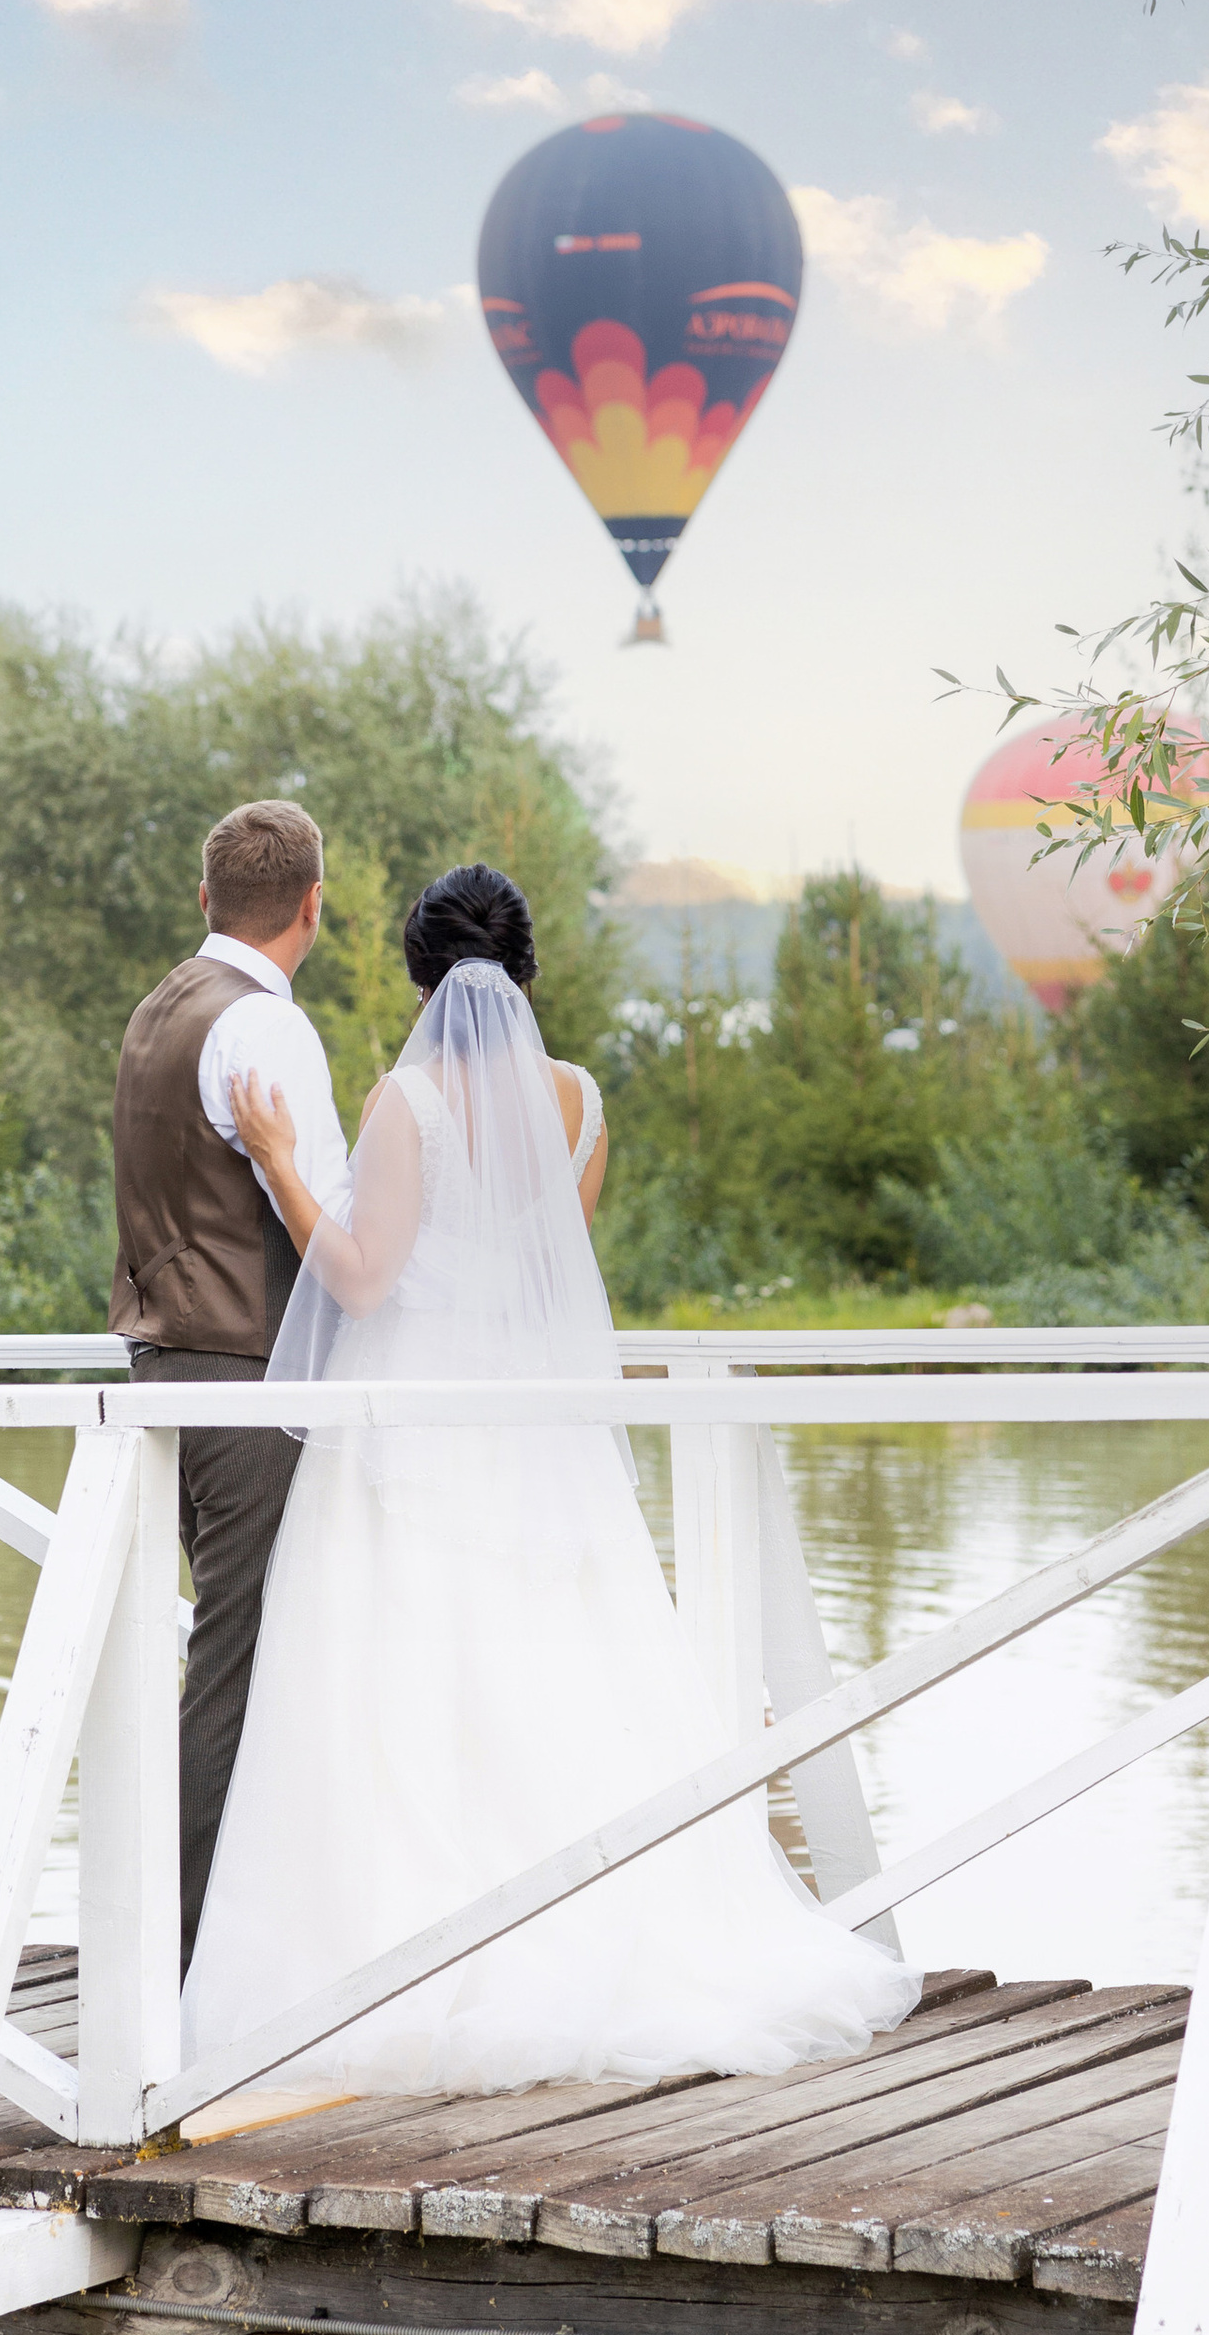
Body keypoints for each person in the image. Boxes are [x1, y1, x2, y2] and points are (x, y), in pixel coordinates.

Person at [182, 860, 917, 2099]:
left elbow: (362, 1281)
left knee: (402, 1684)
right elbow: (547, 1268)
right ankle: (595, 1934)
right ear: (527, 970)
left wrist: (280, 1162)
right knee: (559, 1673)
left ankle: (400, 1960)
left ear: (421, 973)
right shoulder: (578, 1103)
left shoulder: (404, 1102)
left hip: (413, 1419)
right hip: (533, 1433)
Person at [110, 796, 351, 1972]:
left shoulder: (158, 1010)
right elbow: (335, 1233)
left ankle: (199, 1928)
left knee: (215, 1657)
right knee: (239, 1664)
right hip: (251, 1381)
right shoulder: (268, 1030)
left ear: (206, 898)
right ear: (314, 904)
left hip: (161, 1365)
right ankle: (197, 1955)